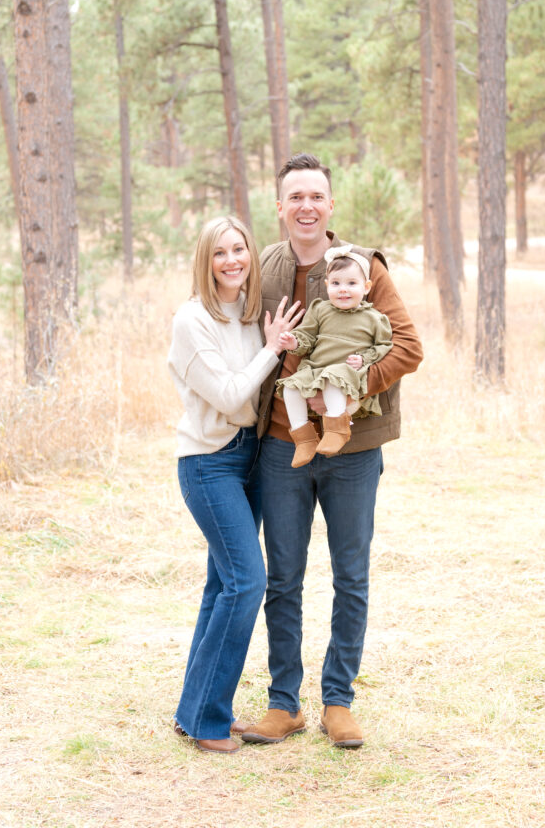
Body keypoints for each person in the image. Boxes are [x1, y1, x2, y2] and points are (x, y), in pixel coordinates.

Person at [242, 154, 423, 750]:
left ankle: (339, 701)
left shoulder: (363, 265)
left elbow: (408, 346)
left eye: (316, 195)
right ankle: (283, 702)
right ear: (280, 206)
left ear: (331, 204)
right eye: (295, 196)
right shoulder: (260, 266)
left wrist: (346, 391)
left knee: (351, 574)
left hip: (353, 449)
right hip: (279, 445)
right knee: (283, 578)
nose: (306, 206)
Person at [168, 215, 302, 754]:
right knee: (247, 582)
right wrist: (271, 349)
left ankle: (193, 710)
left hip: (250, 457)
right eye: (220, 253)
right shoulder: (192, 319)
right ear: (206, 260)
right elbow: (228, 395)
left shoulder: (248, 315)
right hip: (208, 461)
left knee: (221, 586)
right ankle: (207, 720)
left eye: (239, 250)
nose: (232, 261)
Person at [276, 245, 393, 467]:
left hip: (348, 374)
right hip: (317, 369)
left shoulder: (374, 318)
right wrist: (295, 341)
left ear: (366, 287)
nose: (343, 290)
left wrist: (365, 359)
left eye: (352, 283)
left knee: (332, 377)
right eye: (336, 283)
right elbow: (307, 335)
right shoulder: (321, 309)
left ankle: (336, 429)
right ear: (328, 285)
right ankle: (304, 438)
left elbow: (384, 346)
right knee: (291, 387)